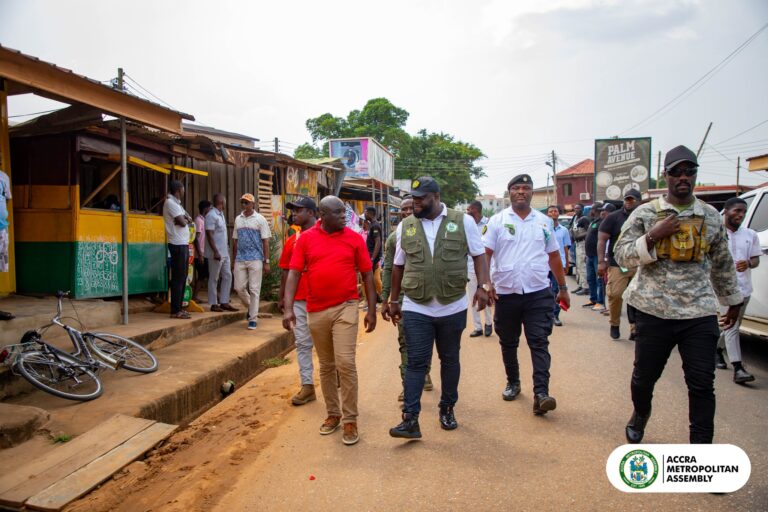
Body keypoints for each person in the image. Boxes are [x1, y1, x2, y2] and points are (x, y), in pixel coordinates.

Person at [614, 145, 742, 444]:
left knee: (701, 384)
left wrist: (732, 300)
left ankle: (701, 449)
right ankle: (641, 413)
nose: (683, 177)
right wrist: (653, 235)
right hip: (652, 309)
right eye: (676, 172)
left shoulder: (710, 216)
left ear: (696, 175)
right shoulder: (646, 213)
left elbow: (722, 262)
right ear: (666, 175)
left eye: (689, 171)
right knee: (644, 378)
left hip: (697, 312)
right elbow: (621, 255)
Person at [387, 176, 490, 440]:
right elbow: (398, 264)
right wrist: (393, 299)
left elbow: (479, 255)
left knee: (450, 359)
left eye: (421, 198)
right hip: (416, 306)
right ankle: (410, 420)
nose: (415, 202)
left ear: (436, 197)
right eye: (413, 197)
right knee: (415, 363)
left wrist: (483, 287)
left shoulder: (462, 221)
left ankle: (447, 408)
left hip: (451, 305)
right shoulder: (406, 226)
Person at [282, 196, 377, 446]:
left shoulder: (354, 238)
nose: (344, 217)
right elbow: (293, 273)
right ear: (323, 215)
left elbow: (367, 275)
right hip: (316, 310)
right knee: (326, 364)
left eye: (344, 212)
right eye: (338, 213)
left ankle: (350, 419)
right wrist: (288, 308)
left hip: (346, 306)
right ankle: (333, 414)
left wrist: (372, 309)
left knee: (345, 363)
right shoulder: (306, 240)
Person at [485, 174, 570, 416]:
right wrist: (486, 283)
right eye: (516, 188)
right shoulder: (497, 221)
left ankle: (541, 393)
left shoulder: (543, 222)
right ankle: (513, 382)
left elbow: (554, 256)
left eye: (526, 188)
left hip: (538, 293)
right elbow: (486, 253)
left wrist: (563, 288)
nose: (521, 191)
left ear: (532, 193)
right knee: (508, 342)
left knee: (539, 342)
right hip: (507, 293)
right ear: (509, 192)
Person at [381, 196, 433, 401]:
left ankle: (423, 372)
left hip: (427, 297)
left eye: (411, 207)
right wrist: (386, 299)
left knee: (425, 342)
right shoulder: (394, 238)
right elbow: (388, 268)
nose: (407, 211)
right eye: (403, 209)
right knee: (406, 342)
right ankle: (408, 386)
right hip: (403, 298)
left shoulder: (430, 233)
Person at [278, 196, 318, 405]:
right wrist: (284, 299)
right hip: (299, 300)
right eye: (293, 210)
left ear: (311, 213)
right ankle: (307, 385)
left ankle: (335, 373)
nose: (294, 214)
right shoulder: (292, 241)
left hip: (322, 299)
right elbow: (286, 271)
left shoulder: (324, 236)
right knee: (302, 343)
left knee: (327, 343)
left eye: (298, 210)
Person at [716, 197, 760, 384]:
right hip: (724, 291)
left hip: (744, 289)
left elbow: (756, 260)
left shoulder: (750, 235)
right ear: (726, 211)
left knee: (732, 325)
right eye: (736, 211)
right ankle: (738, 367)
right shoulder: (716, 234)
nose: (740, 215)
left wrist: (748, 263)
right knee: (732, 326)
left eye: (743, 211)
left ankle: (717, 349)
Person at [598, 189, 642, 340]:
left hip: (640, 264)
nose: (629, 202)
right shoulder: (613, 217)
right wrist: (601, 262)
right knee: (615, 294)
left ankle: (635, 327)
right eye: (626, 199)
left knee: (636, 297)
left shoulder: (645, 216)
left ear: (639, 201)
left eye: (632, 200)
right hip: (618, 264)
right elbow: (602, 239)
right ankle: (614, 323)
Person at [232, 193, 271, 330]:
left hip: (256, 258)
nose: (244, 205)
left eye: (247, 202)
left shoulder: (260, 219)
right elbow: (235, 241)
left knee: (254, 289)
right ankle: (252, 308)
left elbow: (265, 241)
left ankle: (252, 318)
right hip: (240, 258)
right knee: (238, 287)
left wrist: (266, 261)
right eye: (242, 202)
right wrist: (233, 259)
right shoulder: (238, 219)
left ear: (253, 204)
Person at [162, 180, 194, 320]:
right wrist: (184, 220)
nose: (184, 192)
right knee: (178, 278)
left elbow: (188, 219)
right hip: (177, 244)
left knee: (182, 277)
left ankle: (179, 308)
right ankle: (175, 310)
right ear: (178, 190)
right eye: (183, 189)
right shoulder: (170, 203)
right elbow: (182, 221)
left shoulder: (177, 205)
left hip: (183, 243)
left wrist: (185, 219)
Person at [205, 193, 238, 313]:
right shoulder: (211, 215)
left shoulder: (220, 215)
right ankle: (213, 303)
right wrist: (215, 251)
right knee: (214, 278)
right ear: (221, 203)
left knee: (228, 275)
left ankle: (224, 302)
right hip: (216, 253)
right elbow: (209, 234)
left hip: (224, 252)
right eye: (224, 202)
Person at [466, 200, 493, 337]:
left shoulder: (489, 223)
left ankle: (488, 323)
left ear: (476, 210)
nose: (467, 211)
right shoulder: (466, 224)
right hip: (470, 267)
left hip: (485, 268)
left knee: (486, 294)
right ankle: (477, 327)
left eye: (469, 209)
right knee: (472, 297)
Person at [584, 203, 614, 313]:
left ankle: (600, 302)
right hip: (590, 254)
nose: (602, 212)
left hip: (599, 256)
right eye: (600, 210)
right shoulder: (596, 221)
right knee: (590, 278)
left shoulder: (608, 224)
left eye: (604, 211)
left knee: (600, 280)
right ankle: (593, 299)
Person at [547, 205, 570, 326]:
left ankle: (555, 315)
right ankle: (546, 314)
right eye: (550, 211)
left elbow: (566, 249)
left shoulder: (564, 230)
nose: (553, 213)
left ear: (558, 214)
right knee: (546, 290)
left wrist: (567, 264)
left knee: (557, 289)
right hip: (544, 264)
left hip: (559, 264)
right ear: (547, 214)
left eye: (555, 211)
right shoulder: (543, 228)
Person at [192, 200, 212, 303]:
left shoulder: (204, 220)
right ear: (205, 209)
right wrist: (200, 254)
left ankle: (195, 296)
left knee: (204, 275)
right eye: (209, 208)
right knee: (203, 275)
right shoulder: (199, 221)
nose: (210, 210)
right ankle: (194, 296)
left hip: (204, 253)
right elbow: (196, 238)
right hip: (200, 254)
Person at [364, 206, 383, 301]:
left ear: (370, 213)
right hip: (371, 256)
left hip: (372, 257)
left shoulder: (375, 225)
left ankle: (377, 299)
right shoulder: (372, 225)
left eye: (365, 212)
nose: (364, 214)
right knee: (371, 279)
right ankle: (376, 299)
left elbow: (378, 242)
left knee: (371, 279)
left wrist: (372, 258)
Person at [571, 204, 590, 295]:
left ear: (582, 209)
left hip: (582, 243)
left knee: (582, 265)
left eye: (578, 208)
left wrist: (578, 236)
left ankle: (586, 287)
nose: (576, 210)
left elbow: (588, 231)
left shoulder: (584, 219)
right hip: (576, 243)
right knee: (578, 265)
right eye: (575, 208)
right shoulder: (575, 218)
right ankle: (581, 284)